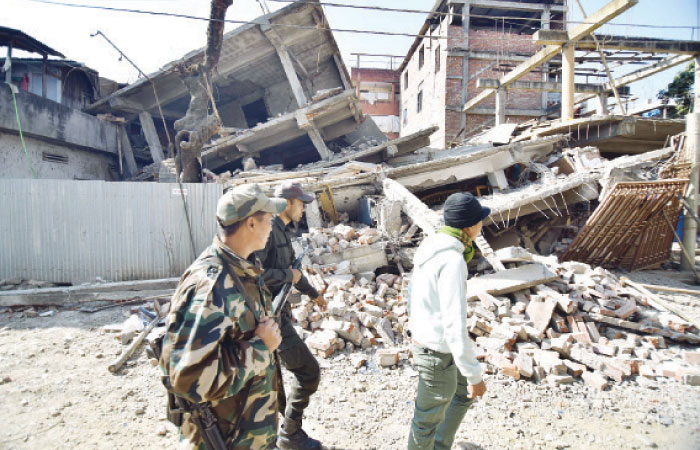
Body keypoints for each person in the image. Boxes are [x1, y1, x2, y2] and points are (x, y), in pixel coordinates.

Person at [159, 184, 287, 450]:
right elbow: (188, 378)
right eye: (269, 219)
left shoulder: (241, 269)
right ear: (251, 223)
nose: (272, 226)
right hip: (226, 438)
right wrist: (261, 347)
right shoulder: (213, 286)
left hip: (247, 433)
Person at [407, 192, 489, 450]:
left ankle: (440, 446)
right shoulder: (453, 260)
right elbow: (454, 324)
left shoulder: (433, 245)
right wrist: (476, 375)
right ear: (469, 226)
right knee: (425, 420)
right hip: (437, 351)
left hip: (431, 340)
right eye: (480, 221)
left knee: (462, 395)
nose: (482, 225)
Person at [257, 182, 327, 450]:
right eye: (301, 203)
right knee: (308, 371)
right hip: (267, 316)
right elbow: (254, 276)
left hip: (277, 313)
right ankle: (289, 433)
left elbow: (292, 271)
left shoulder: (282, 230)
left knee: (277, 379)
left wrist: (313, 293)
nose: (303, 209)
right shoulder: (268, 230)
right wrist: (289, 276)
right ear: (288, 202)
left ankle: (283, 433)